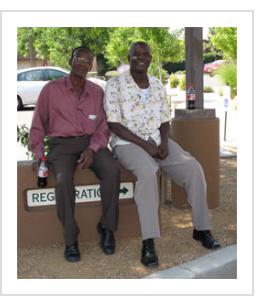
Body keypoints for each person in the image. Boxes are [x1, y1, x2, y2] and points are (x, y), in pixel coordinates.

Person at [104, 41, 220, 268]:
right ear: (129, 58)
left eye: (145, 54)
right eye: (136, 54)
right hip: (127, 143)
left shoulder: (157, 85)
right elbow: (114, 125)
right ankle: (148, 242)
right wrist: (146, 147)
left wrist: (165, 142)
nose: (141, 57)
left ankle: (201, 228)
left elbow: (164, 120)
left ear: (149, 58)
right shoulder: (115, 85)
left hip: (158, 141)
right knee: (148, 171)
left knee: (193, 168)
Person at [29, 46, 120, 263]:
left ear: (90, 66)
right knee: (62, 180)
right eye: (79, 58)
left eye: (87, 61)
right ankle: (71, 238)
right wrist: (39, 153)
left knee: (112, 170)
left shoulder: (97, 92)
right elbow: (37, 125)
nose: (83, 63)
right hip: (61, 146)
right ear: (70, 60)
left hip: (91, 143)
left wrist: (92, 148)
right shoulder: (51, 90)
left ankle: (107, 229)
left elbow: (103, 126)